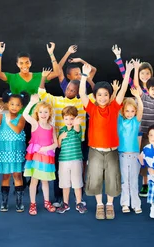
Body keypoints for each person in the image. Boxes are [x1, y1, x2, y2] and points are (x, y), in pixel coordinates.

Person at [38, 42, 88, 208]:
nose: (68, 92)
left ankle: (78, 199)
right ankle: (60, 198)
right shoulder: (58, 100)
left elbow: (94, 98)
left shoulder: (82, 102)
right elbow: (42, 94)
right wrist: (43, 79)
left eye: (72, 91)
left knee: (77, 170)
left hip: (76, 141)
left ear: (77, 92)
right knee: (60, 171)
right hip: (60, 141)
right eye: (67, 89)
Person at [80, 61, 130, 220]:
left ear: (110, 96)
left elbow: (122, 91)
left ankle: (109, 204)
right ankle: (99, 205)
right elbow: (82, 94)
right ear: (95, 96)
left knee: (112, 178)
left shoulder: (114, 107)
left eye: (105, 95)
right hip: (95, 150)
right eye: (99, 95)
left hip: (112, 150)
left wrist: (127, 71)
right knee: (94, 178)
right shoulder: (92, 108)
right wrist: (83, 76)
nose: (102, 97)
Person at [131, 58, 154, 199]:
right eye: (153, 89)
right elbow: (136, 84)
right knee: (146, 160)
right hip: (146, 134)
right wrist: (135, 69)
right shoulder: (144, 96)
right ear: (148, 89)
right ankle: (145, 184)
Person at [0, 90, 28, 212]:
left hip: (16, 151)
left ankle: (19, 203)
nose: (14, 107)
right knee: (5, 175)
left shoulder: (21, 118)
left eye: (18, 105)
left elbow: (18, 130)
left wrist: (8, 122)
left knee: (17, 175)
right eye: (12, 104)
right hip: (4, 150)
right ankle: (4, 203)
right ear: (7, 104)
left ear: (21, 106)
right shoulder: (2, 117)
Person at [22, 95, 58, 215]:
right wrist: (32, 103)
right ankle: (33, 204)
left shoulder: (52, 128)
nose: (43, 114)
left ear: (50, 113)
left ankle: (47, 202)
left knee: (45, 181)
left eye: (46, 112)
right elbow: (25, 115)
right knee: (34, 180)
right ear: (37, 113)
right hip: (36, 157)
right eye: (41, 112)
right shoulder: (35, 124)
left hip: (47, 157)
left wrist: (45, 148)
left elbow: (56, 144)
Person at [118, 87, 144, 214]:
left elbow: (141, 110)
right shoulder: (120, 121)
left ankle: (136, 204)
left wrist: (138, 97)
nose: (129, 113)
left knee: (134, 180)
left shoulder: (136, 121)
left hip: (134, 155)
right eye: (127, 111)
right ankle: (125, 203)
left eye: (132, 111)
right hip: (122, 154)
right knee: (124, 180)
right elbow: (115, 105)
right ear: (123, 111)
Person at [56, 106, 86, 214]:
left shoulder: (77, 128)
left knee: (77, 182)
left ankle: (79, 203)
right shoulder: (61, 130)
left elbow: (77, 129)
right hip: (63, 160)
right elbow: (58, 146)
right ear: (63, 119)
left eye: (72, 119)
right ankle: (65, 203)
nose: (69, 121)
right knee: (65, 183)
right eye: (67, 118)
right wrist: (60, 138)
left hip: (76, 160)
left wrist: (76, 123)